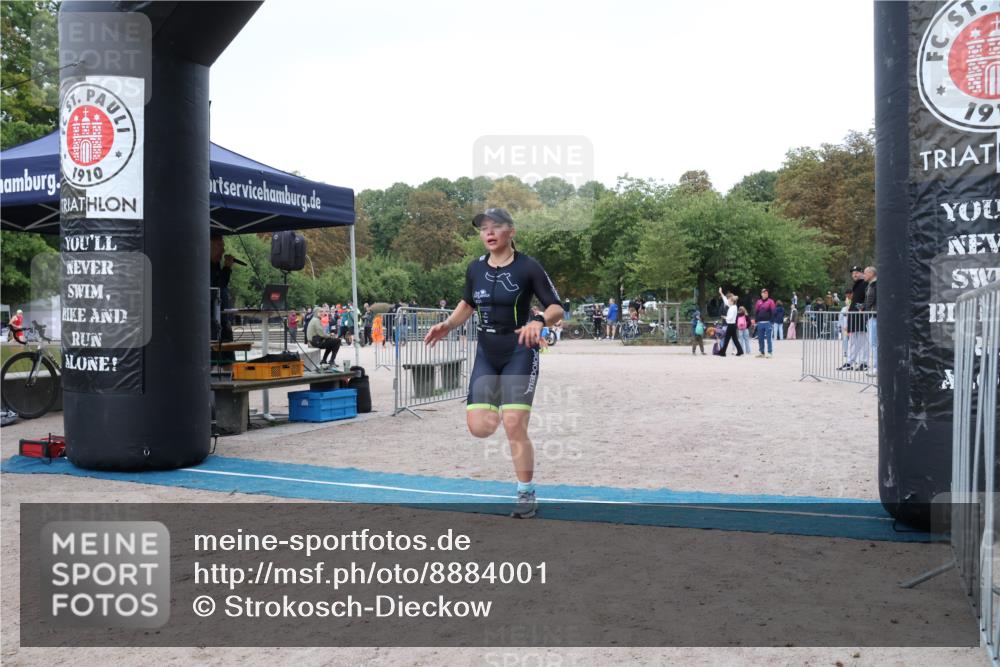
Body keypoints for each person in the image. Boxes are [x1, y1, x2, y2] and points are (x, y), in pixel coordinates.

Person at [424, 207, 563, 520]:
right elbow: (467, 304)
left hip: (520, 349)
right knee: (480, 428)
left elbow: (557, 308)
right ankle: (507, 407)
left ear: (510, 231)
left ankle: (526, 494)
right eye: (483, 227)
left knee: (514, 424)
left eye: (495, 226)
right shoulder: (475, 269)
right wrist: (447, 325)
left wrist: (539, 320)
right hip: (487, 352)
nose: (488, 232)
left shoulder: (529, 267)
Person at [210, 234, 238, 359]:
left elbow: (222, 286)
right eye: (219, 245)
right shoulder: (203, 267)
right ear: (209, 246)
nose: (223, 250)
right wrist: (227, 268)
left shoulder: (216, 266)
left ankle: (228, 375)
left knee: (228, 358)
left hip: (223, 319)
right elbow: (217, 287)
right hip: (211, 322)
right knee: (211, 359)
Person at [844, 266, 870, 371]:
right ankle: (850, 362)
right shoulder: (857, 285)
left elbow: (869, 299)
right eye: (853, 273)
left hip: (860, 315)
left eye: (856, 272)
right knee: (853, 340)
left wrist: (863, 307)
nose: (854, 274)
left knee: (862, 339)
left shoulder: (866, 283)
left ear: (862, 273)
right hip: (853, 315)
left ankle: (864, 362)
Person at [717, 287, 743, 356]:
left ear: (732, 301)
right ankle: (740, 351)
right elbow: (725, 300)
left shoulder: (732, 308)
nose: (728, 301)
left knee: (727, 340)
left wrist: (725, 317)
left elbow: (730, 318)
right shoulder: (732, 306)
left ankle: (722, 352)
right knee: (734, 339)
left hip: (731, 325)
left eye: (729, 300)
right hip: (732, 325)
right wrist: (721, 293)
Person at [753, 288, 776, 358]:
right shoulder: (758, 302)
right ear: (761, 294)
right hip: (760, 323)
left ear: (767, 294)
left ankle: (770, 352)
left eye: (766, 293)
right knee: (760, 338)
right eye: (763, 293)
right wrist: (756, 322)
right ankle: (761, 352)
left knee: (769, 338)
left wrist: (772, 322)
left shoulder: (771, 301)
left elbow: (773, 312)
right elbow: (756, 312)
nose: (765, 294)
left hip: (768, 322)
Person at [863, 266, 877, 376]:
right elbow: (868, 301)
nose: (864, 275)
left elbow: (872, 301)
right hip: (871, 316)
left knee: (875, 343)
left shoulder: (876, 285)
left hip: (875, 317)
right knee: (874, 343)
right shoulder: (870, 285)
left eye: (865, 273)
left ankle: (877, 368)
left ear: (871, 273)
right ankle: (877, 367)